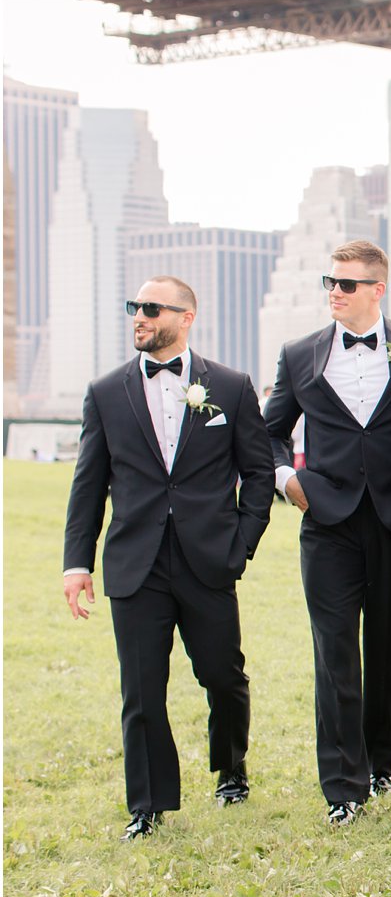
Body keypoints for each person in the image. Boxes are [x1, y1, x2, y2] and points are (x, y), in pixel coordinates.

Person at [62, 276, 274, 839]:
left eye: (151, 308)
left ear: (186, 317)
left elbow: (257, 473)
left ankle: (231, 770)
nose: (139, 316)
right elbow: (88, 485)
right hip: (136, 564)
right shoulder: (105, 392)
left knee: (223, 677)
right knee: (141, 688)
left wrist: (242, 543)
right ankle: (148, 805)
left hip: (209, 560)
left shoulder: (229, 387)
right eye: (134, 307)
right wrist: (76, 563)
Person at [262, 240, 391, 826]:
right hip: (327, 523)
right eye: (330, 283)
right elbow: (268, 431)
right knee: (334, 652)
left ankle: (382, 763)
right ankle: (343, 786)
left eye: (346, 284)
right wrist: (285, 479)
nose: (335, 293)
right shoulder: (298, 354)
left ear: (377, 289)